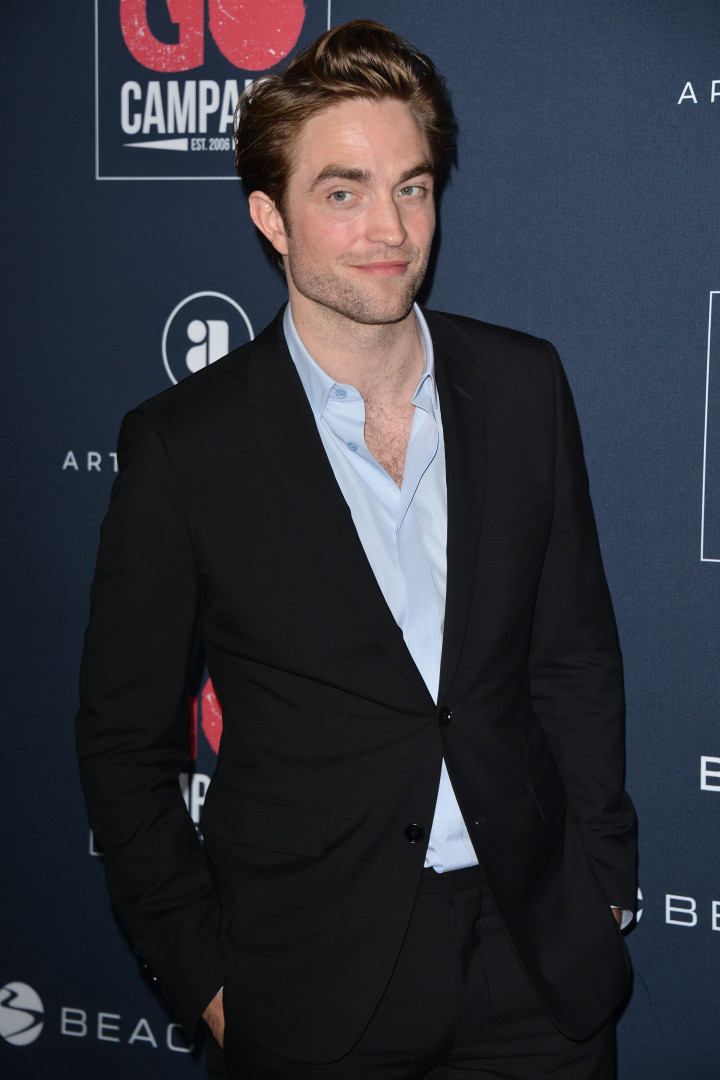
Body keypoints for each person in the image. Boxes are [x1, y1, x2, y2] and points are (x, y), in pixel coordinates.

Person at [76, 19, 637, 1080]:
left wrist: (604, 880)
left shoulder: (524, 386)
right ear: (271, 218)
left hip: (537, 960)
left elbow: (573, 656)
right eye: (343, 192)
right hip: (310, 979)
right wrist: (206, 981)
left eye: (411, 187)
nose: (390, 228)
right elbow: (124, 744)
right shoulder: (186, 446)